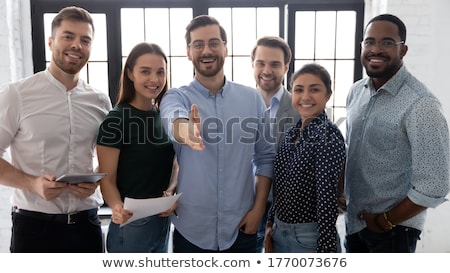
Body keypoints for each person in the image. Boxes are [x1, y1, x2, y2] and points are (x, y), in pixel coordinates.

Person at [160, 15, 276, 252]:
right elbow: (173, 119)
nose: (207, 50)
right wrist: (188, 131)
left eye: (214, 43)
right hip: (191, 230)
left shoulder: (251, 98)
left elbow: (264, 158)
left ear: (225, 48)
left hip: (242, 227)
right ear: (188, 52)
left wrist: (258, 210)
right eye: (198, 44)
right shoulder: (176, 96)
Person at [0, 6, 112, 252]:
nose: (76, 45)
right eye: (68, 36)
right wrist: (32, 184)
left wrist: (94, 179)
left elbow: (107, 156)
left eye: (85, 40)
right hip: (33, 227)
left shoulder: (100, 101)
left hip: (87, 225)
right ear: (51, 42)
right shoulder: (16, 94)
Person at [344, 13, 449, 253]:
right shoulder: (356, 92)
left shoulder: (421, 104)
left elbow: (435, 184)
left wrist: (385, 221)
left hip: (393, 232)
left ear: (403, 50)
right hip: (355, 224)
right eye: (369, 42)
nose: (376, 49)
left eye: (387, 42)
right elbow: (353, 151)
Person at [96, 42, 177, 253]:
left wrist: (169, 193)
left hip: (162, 220)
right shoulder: (116, 119)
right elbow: (107, 178)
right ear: (130, 74)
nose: (155, 79)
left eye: (160, 72)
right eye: (145, 71)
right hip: (131, 224)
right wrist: (115, 207)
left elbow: (173, 164)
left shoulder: (163, 116)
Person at [264, 63, 346, 253]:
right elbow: (280, 186)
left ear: (328, 95)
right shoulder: (291, 134)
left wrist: (325, 249)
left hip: (310, 237)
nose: (305, 97)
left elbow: (326, 198)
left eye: (315, 90)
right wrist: (270, 224)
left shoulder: (328, 135)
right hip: (279, 232)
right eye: (298, 90)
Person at [250, 36, 300, 252]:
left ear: (286, 67)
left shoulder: (302, 109)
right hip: (246, 205)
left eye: (275, 64)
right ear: (252, 65)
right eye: (261, 63)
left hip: (286, 212)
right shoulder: (238, 105)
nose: (267, 70)